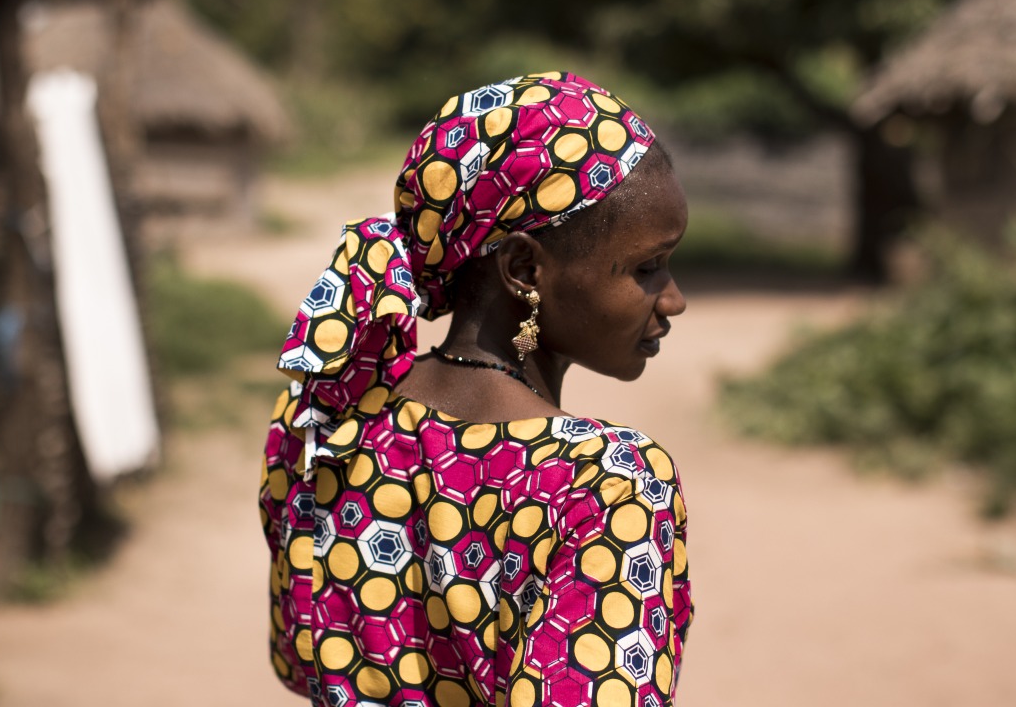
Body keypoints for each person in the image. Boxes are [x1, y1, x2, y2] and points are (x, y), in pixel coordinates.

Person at [259, 72, 693, 707]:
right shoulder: (605, 484)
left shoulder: (333, 416)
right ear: (523, 269)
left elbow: (297, 658)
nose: (674, 300)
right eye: (648, 268)